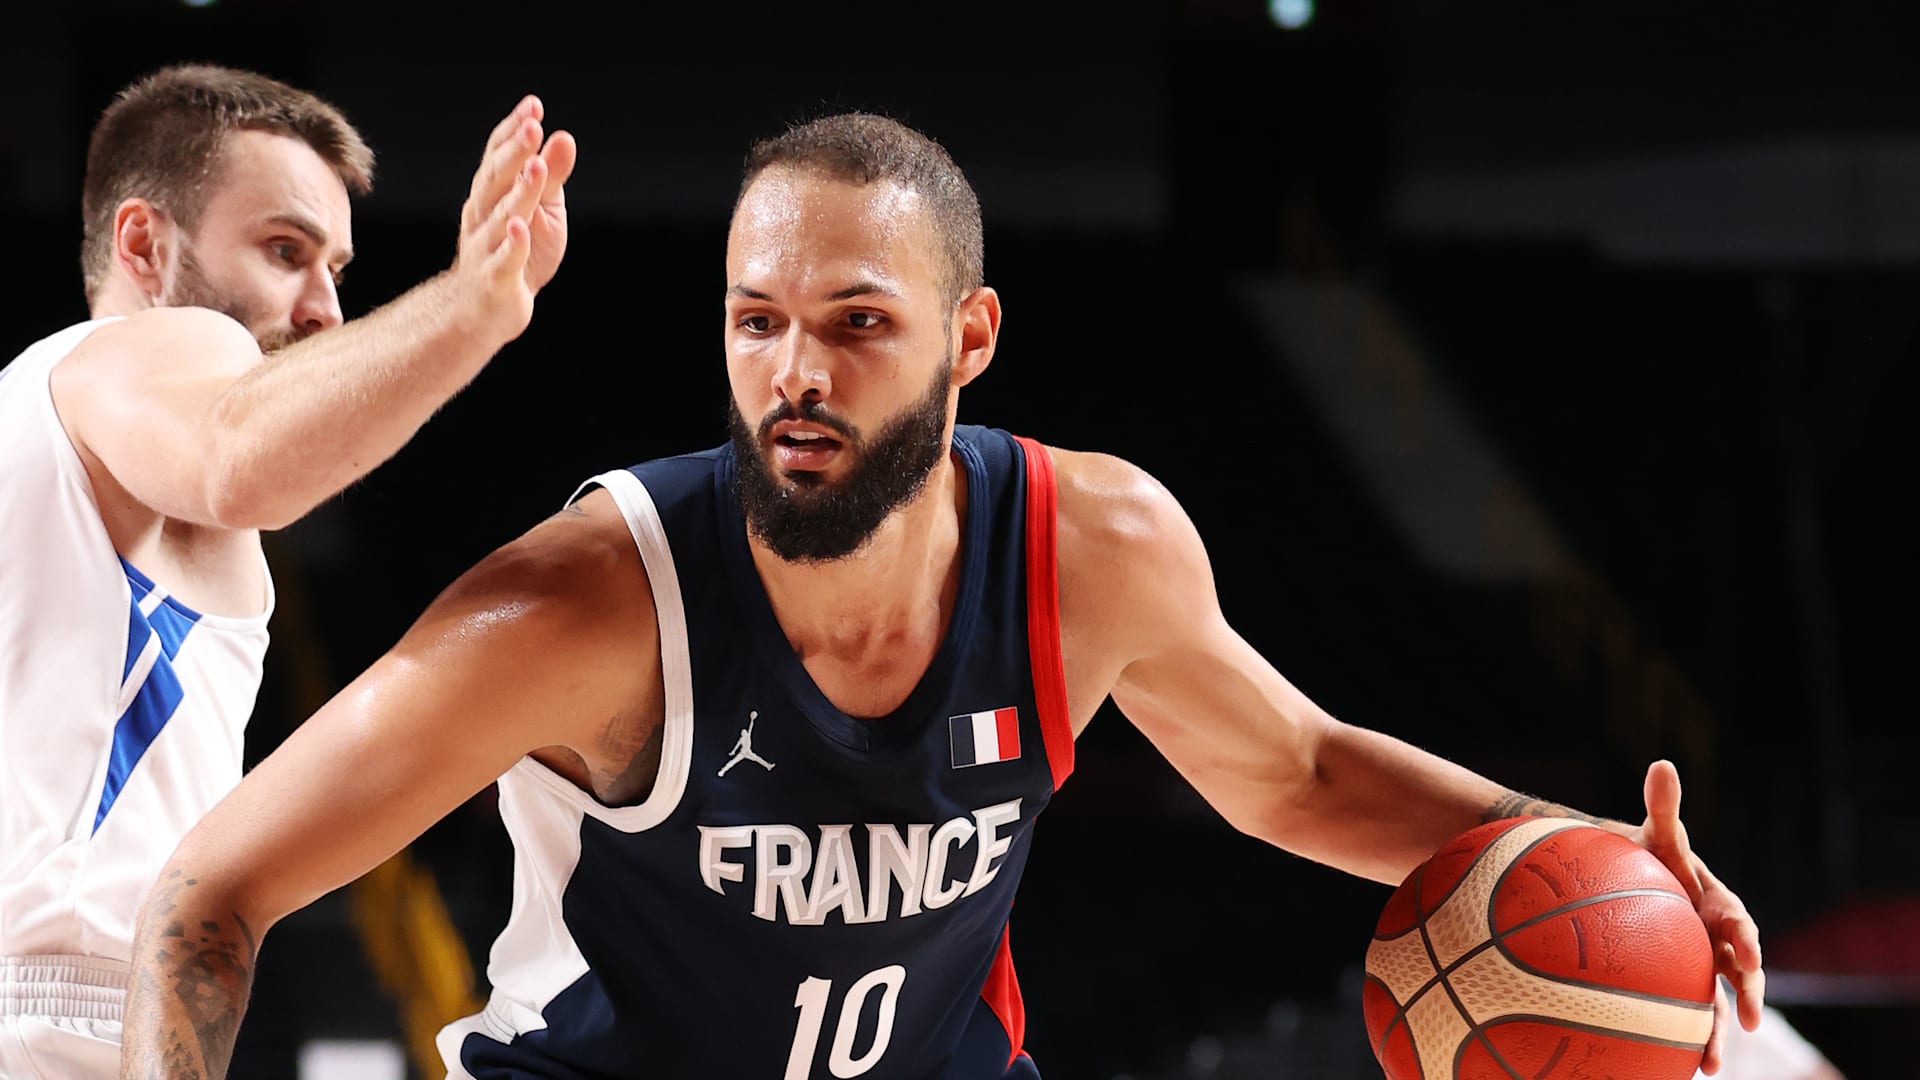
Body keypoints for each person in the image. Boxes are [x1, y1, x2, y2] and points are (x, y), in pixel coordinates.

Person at [118, 112, 1763, 1080]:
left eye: (855, 323)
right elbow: (209, 898)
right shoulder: (581, 608)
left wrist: (1595, 856)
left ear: (969, 341)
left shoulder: (1091, 547)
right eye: (756, 321)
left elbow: (1304, 774)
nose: (794, 375)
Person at [0, 63, 574, 1077]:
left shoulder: (40, 424)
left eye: (337, 269)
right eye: (284, 251)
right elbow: (237, 461)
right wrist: (478, 303)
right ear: (144, 243)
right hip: (57, 1023)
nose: (324, 307)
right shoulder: (132, 353)